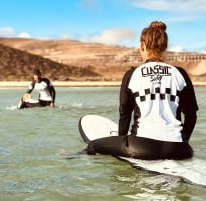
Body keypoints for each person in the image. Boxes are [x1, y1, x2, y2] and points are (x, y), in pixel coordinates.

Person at [84, 21, 198, 160]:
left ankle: (72, 157)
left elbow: (125, 114)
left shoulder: (132, 74)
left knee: (92, 146)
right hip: (179, 149)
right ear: (165, 47)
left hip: (141, 147)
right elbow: (191, 115)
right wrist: (183, 140)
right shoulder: (180, 73)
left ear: (142, 45)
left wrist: (121, 142)